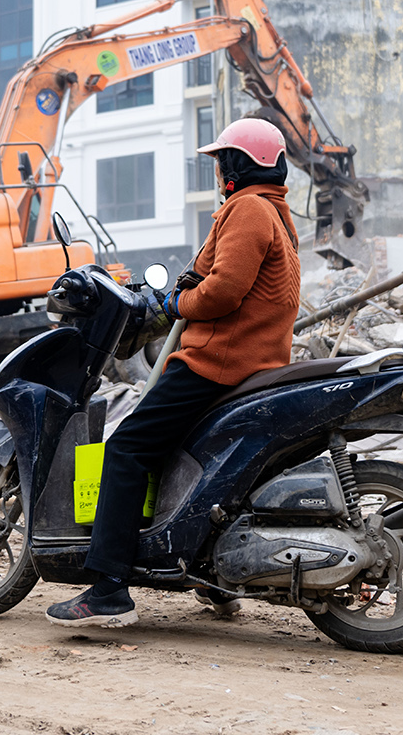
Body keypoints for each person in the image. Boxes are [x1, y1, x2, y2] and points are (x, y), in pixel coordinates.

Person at [46, 117, 301, 629]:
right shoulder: (275, 214)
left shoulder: (248, 210)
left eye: (220, 163)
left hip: (218, 361)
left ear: (237, 166)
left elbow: (224, 291)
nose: (216, 173)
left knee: (127, 449)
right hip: (252, 360)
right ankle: (212, 581)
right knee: (190, 457)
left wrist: (177, 302)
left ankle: (109, 588)